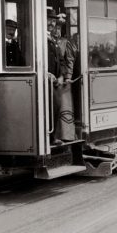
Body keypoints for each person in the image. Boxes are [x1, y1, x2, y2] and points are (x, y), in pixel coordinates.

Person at [47, 9, 63, 145]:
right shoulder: (39, 37)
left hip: (56, 81)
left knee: (56, 107)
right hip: (45, 80)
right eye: (48, 20)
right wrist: (45, 73)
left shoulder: (53, 39)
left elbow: (61, 60)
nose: (51, 23)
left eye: (53, 21)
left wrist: (62, 75)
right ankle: (50, 138)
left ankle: (53, 137)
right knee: (51, 107)